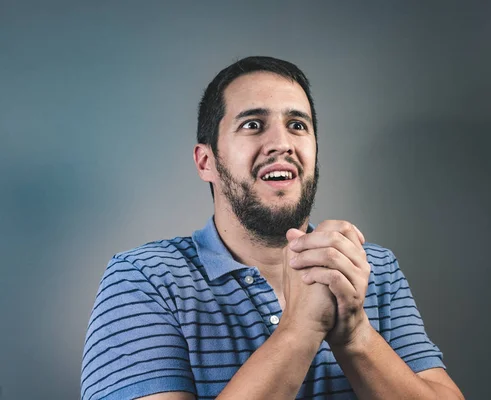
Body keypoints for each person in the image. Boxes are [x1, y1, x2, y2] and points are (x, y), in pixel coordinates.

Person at [81, 56, 464, 400]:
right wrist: (300, 331)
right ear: (206, 162)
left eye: (297, 125)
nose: (281, 143)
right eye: (253, 124)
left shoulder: (372, 269)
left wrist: (354, 335)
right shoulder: (143, 278)